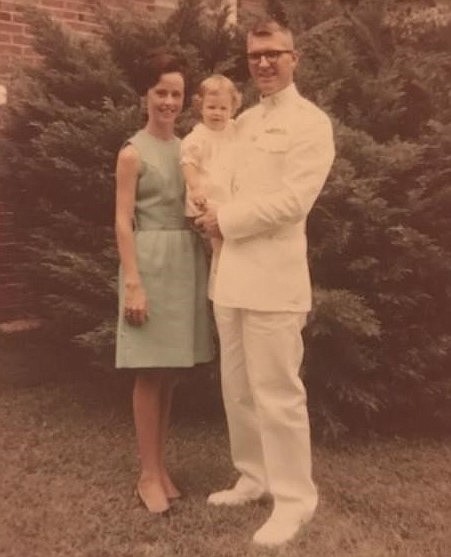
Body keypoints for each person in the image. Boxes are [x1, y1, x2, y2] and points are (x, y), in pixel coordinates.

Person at [195, 18, 335, 547]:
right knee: (238, 390)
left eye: (275, 53)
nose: (265, 63)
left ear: (294, 58)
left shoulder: (310, 123)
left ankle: (295, 500)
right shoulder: (244, 121)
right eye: (256, 56)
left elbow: (294, 202)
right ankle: (253, 476)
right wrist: (203, 204)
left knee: (277, 393)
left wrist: (224, 220)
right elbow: (221, 183)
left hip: (274, 282)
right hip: (228, 277)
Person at [115, 51, 214, 514]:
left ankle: (161, 467)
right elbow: (121, 222)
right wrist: (133, 281)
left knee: (171, 373)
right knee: (149, 371)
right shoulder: (132, 152)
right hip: (150, 263)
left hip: (185, 263)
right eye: (161, 92)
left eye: (176, 93)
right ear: (145, 96)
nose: (169, 101)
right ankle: (147, 474)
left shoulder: (188, 149)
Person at [180, 74, 241, 297]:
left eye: (223, 108)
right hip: (207, 197)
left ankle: (229, 280)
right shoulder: (198, 137)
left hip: (228, 195)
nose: (217, 113)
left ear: (233, 109)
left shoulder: (234, 130)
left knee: (232, 239)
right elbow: (188, 163)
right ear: (200, 107)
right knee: (218, 241)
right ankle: (221, 287)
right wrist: (195, 188)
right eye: (211, 107)